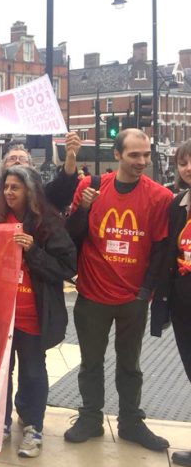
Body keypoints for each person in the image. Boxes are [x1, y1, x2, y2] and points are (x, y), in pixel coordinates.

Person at [64, 128, 172, 451]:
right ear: (117, 155)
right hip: (92, 295)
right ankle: (90, 418)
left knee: (130, 364)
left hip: (132, 299)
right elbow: (71, 236)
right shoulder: (90, 187)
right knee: (91, 362)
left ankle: (130, 422)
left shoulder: (159, 197)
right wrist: (82, 209)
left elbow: (161, 250)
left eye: (146, 154)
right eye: (134, 155)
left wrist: (144, 293)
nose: (142, 161)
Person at [0, 165, 76, 458]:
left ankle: (33, 426)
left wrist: (33, 250)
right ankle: (1, 421)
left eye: (15, 187)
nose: (8, 192)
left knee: (33, 372)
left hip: (32, 315)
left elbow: (67, 267)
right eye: (5, 187)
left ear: (29, 191)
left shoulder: (48, 224)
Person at [0, 92, 81, 220]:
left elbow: (65, 186)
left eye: (22, 159)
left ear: (31, 167)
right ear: (3, 165)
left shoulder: (42, 193)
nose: (17, 161)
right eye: (12, 159)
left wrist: (70, 156)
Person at [151, 140, 191, 466]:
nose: (187, 167)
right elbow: (168, 254)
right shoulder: (178, 204)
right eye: (183, 162)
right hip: (182, 306)